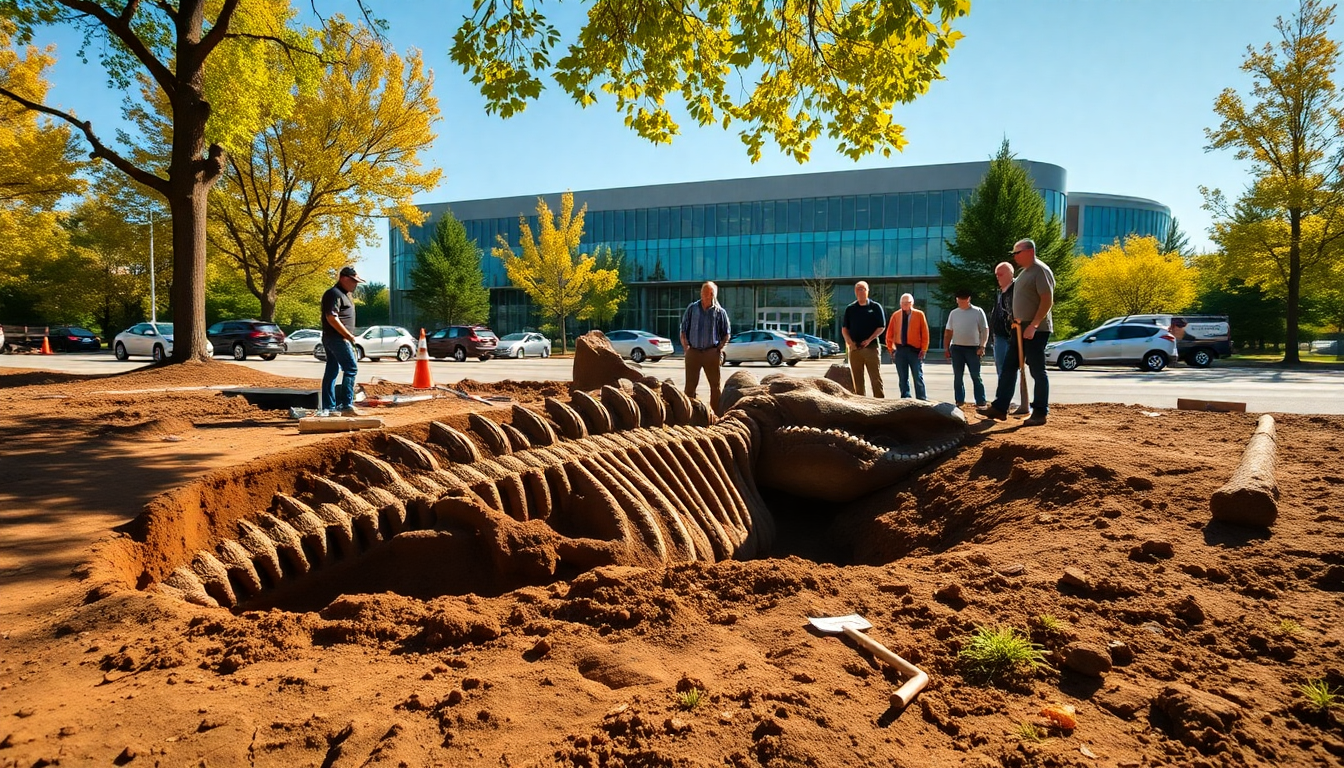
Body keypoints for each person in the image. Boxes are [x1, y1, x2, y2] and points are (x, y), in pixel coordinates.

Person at [980, 239, 1054, 426]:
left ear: (1029, 251)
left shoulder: (1040, 270)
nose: (1014, 257)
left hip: (1035, 328)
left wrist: (1034, 325)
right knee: (1009, 367)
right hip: (1020, 327)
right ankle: (1000, 407)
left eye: (1017, 253)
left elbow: (1047, 299)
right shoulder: (1024, 273)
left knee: (1037, 370)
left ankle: (1040, 412)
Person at [679, 281, 731, 413]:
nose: (706, 295)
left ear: (714, 294)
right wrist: (686, 347)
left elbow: (727, 333)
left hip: (711, 352)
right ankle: (689, 413)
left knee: (715, 386)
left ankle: (716, 414)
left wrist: (719, 348)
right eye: (704, 292)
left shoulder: (720, 312)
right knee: (690, 387)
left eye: (709, 293)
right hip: (694, 352)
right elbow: (683, 329)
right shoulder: (692, 308)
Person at [321, 266, 365, 417]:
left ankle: (329, 408)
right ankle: (346, 405)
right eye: (353, 281)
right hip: (337, 338)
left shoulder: (344, 294)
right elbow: (331, 317)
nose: (355, 284)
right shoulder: (334, 294)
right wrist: (348, 335)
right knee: (351, 368)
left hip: (334, 338)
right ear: (344, 278)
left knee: (332, 371)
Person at [990, 261, 1028, 415]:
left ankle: (1007, 403)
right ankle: (1003, 402)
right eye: (996, 274)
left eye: (1001, 274)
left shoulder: (1015, 290)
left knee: (1008, 370)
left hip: (1010, 336)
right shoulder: (1002, 291)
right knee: (1003, 369)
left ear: (1010, 274)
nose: (998, 277)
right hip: (1000, 336)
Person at [943, 289, 988, 408]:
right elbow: (948, 331)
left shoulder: (978, 312)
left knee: (975, 375)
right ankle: (959, 401)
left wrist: (982, 346)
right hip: (957, 348)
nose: (961, 301)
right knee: (958, 376)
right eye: (959, 299)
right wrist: (946, 348)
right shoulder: (954, 313)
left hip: (973, 348)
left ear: (969, 299)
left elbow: (984, 330)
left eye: (964, 299)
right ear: (956, 299)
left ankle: (981, 401)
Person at [840, 281, 887, 397]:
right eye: (858, 289)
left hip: (871, 348)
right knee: (857, 380)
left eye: (863, 289)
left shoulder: (875, 307)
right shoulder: (850, 309)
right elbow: (844, 329)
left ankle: (880, 403)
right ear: (855, 292)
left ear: (867, 291)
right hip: (855, 349)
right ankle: (861, 405)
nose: (860, 292)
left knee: (875, 379)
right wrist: (850, 342)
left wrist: (869, 340)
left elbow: (881, 327)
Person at [884, 293, 929, 399]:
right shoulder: (896, 315)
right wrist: (891, 349)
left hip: (915, 350)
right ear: (900, 304)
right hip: (900, 350)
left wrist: (924, 349)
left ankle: (922, 399)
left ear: (912, 303)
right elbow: (889, 334)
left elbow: (925, 333)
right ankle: (905, 398)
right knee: (903, 377)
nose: (905, 305)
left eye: (907, 303)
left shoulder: (919, 315)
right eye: (903, 303)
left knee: (918, 376)